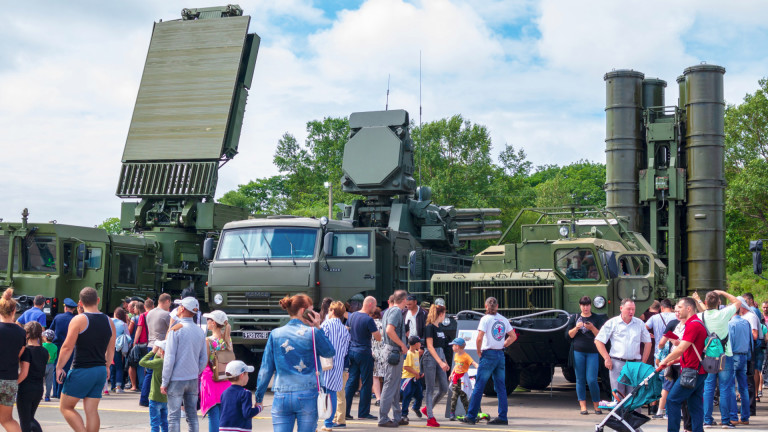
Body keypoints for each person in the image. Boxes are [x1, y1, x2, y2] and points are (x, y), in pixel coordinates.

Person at [255, 294, 335, 432]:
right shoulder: (312, 332)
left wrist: (259, 396)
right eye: (311, 310)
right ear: (303, 310)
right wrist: (318, 326)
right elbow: (329, 352)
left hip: (281, 393)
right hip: (308, 392)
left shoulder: (275, 334)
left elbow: (266, 369)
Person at [57, 287, 116, 432]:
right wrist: (107, 366)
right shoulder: (109, 321)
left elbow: (67, 347)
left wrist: (59, 367)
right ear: (98, 300)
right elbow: (111, 348)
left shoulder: (79, 320)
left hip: (82, 369)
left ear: (80, 303)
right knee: (91, 411)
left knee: (66, 407)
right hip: (100, 370)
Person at [460, 297, 517, 426]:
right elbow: (513, 336)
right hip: (500, 354)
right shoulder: (503, 319)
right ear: (497, 306)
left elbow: (479, 337)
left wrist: (479, 351)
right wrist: (503, 344)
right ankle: (503, 417)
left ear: (486, 306)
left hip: (488, 353)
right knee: (501, 387)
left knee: (479, 385)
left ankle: (471, 416)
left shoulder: (485, 319)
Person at [692, 289, 740, 427]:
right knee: (725, 388)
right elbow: (737, 302)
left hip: (708, 357)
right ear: (719, 302)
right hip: (725, 355)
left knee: (708, 388)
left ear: (706, 302)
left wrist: (698, 300)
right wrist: (723, 293)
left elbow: (706, 311)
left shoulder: (701, 316)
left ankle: (707, 420)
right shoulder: (724, 314)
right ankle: (725, 421)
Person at [659, 297, 707, 432]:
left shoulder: (693, 325)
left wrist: (664, 360)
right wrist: (672, 361)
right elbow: (690, 352)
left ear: (689, 308)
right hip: (698, 370)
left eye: (679, 307)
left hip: (692, 371)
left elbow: (681, 349)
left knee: (672, 400)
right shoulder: (697, 323)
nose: (676, 310)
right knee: (695, 404)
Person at [161, 296, 207, 432]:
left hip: (176, 379)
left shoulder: (176, 330)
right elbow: (203, 358)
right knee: (192, 415)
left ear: (182, 309)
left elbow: (169, 358)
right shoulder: (200, 331)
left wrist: (164, 382)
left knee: (174, 416)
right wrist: (195, 371)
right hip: (192, 378)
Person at [595, 298, 652, 400]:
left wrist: (643, 362)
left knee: (634, 395)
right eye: (628, 309)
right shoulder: (612, 323)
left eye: (633, 309)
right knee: (618, 395)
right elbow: (598, 341)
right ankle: (618, 416)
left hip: (635, 364)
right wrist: (606, 358)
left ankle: (633, 416)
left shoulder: (639, 323)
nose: (631, 312)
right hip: (617, 363)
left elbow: (648, 342)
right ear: (621, 308)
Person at [566, 296, 606, 415]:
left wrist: (592, 327)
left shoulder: (597, 318)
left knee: (592, 379)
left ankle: (596, 405)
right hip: (578, 351)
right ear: (580, 306)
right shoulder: (575, 318)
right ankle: (583, 406)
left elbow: (601, 336)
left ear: (590, 306)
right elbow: (569, 335)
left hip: (593, 351)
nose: (585, 307)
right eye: (583, 305)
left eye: (587, 305)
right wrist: (577, 327)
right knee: (580, 379)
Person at [345, 296, 381, 420]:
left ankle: (345, 411)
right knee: (366, 382)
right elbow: (378, 337)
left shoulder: (352, 316)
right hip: (364, 352)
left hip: (352, 351)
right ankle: (363, 413)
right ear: (370, 304)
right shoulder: (368, 319)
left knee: (351, 381)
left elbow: (346, 330)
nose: (376, 308)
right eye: (375, 305)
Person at [378, 290, 409, 427]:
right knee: (390, 385)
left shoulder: (389, 311)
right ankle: (383, 418)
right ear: (404, 300)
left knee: (394, 385)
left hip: (390, 350)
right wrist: (402, 345)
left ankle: (397, 416)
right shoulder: (396, 312)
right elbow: (389, 330)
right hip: (394, 352)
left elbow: (386, 331)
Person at [200, 310, 233, 432]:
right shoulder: (228, 340)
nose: (207, 322)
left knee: (213, 415)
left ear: (213, 323)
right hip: (225, 379)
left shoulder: (208, 340)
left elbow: (205, 362)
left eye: (208, 319)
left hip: (211, 379)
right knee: (223, 415)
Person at [321, 301, 351, 431]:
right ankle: (329, 421)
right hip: (338, 365)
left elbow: (320, 343)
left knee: (323, 392)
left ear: (332, 311)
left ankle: (326, 421)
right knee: (333, 393)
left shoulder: (326, 325)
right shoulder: (345, 330)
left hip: (324, 364)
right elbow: (345, 351)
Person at [0, 288, 25, 432]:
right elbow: (19, 354)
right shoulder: (21, 332)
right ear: (14, 310)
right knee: (7, 419)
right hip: (9, 381)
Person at [422, 304, 450, 427]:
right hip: (430, 358)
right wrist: (440, 361)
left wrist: (445, 362)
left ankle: (428, 408)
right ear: (441, 314)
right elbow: (430, 346)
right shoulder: (429, 327)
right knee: (430, 388)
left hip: (439, 356)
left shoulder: (439, 328)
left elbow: (441, 347)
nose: (445, 316)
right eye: (444, 314)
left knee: (444, 388)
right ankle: (430, 417)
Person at [17, 321, 48, 432]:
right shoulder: (44, 351)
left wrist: (14, 383)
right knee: (30, 418)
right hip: (38, 388)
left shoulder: (26, 351)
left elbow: (24, 373)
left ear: (26, 333)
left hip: (26, 388)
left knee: (25, 421)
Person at [143, 293, 171, 407]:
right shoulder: (166, 314)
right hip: (161, 346)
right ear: (167, 301)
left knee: (149, 373)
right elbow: (172, 329)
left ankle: (144, 398)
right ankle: (157, 398)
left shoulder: (149, 313)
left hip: (151, 344)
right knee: (160, 375)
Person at [220, 360, 262, 432]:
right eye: (247, 374)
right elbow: (247, 413)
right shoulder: (245, 393)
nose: (248, 377)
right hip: (240, 429)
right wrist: (259, 408)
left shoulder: (224, 393)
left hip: (224, 428)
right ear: (242, 375)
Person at [728, 301, 752, 426]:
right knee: (743, 388)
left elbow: (730, 343)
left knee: (731, 387)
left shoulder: (730, 324)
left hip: (733, 356)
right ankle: (745, 417)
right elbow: (750, 341)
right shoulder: (746, 322)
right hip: (744, 356)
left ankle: (733, 416)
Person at [49, 297, 77, 398]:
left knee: (56, 367)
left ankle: (55, 392)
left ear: (65, 308)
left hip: (57, 346)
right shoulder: (75, 319)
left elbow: (51, 331)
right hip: (69, 347)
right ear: (73, 309)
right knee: (65, 368)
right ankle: (61, 392)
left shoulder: (58, 317)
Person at [140, 341, 169, 432]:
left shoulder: (158, 362)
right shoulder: (168, 362)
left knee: (154, 424)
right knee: (164, 423)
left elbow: (142, 362)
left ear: (162, 351)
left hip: (155, 397)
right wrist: (158, 353)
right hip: (165, 399)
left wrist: (152, 352)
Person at [447, 338, 477, 421]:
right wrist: (451, 374)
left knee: (464, 397)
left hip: (463, 379)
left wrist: (478, 367)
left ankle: (468, 414)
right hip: (456, 378)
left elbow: (473, 363)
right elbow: (456, 366)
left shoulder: (466, 356)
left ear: (457, 346)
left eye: (453, 345)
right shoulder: (456, 355)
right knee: (454, 396)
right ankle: (452, 414)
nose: (452, 347)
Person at [401, 336, 423, 422]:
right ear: (416, 344)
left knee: (419, 395)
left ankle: (416, 407)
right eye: (420, 343)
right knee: (407, 396)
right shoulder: (409, 354)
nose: (421, 344)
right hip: (408, 378)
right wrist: (416, 373)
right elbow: (406, 367)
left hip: (416, 378)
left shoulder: (416, 353)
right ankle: (404, 414)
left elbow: (421, 352)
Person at [129, 301, 149, 398]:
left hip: (139, 343)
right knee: (144, 365)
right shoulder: (149, 315)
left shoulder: (137, 317)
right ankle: (142, 385)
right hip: (148, 343)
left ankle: (136, 385)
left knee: (134, 364)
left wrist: (134, 342)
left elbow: (137, 329)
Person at [110, 307, 129, 394]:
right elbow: (128, 338)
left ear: (115, 314)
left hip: (108, 346)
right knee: (118, 367)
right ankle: (118, 387)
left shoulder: (109, 321)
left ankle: (112, 386)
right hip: (117, 347)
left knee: (110, 366)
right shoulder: (123, 324)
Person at [371, 307, 386, 407]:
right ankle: (386, 397)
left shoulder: (371, 324)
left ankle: (378, 398)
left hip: (374, 352)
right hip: (385, 352)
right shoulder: (384, 324)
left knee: (375, 377)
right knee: (386, 376)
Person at [42, 329, 58, 402]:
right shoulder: (55, 346)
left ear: (45, 337)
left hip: (42, 364)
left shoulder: (42, 345)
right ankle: (47, 396)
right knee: (49, 381)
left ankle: (40, 395)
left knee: (40, 381)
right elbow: (55, 357)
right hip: (51, 365)